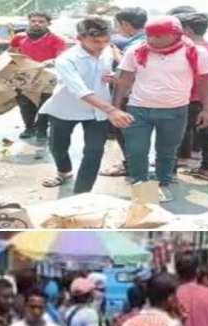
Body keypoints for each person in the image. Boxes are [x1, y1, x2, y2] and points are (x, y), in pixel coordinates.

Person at [114, 15, 208, 203]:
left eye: (160, 36)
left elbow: (205, 82)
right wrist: (115, 108)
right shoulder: (136, 51)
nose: (153, 40)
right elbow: (124, 80)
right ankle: (140, 186)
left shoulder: (196, 52)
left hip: (174, 110)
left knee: (167, 151)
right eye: (150, 35)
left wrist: (206, 109)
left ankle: (163, 183)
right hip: (138, 109)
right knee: (136, 150)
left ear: (176, 34)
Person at [39, 16, 133, 192]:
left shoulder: (107, 51)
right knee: (58, 146)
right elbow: (79, 91)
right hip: (66, 108)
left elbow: (108, 73)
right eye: (96, 41)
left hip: (98, 111)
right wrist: (112, 109)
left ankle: (82, 192)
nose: (101, 45)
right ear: (80, 38)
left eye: (106, 40)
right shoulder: (66, 59)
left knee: (94, 151)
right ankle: (64, 171)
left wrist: (112, 78)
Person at [176, 12, 208, 181]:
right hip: (207, 97)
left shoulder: (194, 51)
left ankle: (171, 169)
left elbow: (202, 78)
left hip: (193, 98)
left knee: (177, 133)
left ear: (187, 30)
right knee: (206, 134)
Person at [101, 7, 149, 179]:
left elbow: (132, 70)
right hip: (142, 95)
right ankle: (134, 165)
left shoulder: (135, 44)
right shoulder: (148, 40)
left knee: (126, 132)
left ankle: (131, 166)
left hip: (130, 95)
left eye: (119, 25)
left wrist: (117, 59)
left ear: (126, 24)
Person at [9, 12, 67, 141]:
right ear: (28, 21)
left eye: (41, 22)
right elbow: (9, 54)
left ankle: (42, 130)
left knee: (45, 104)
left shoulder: (57, 39)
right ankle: (29, 127)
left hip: (46, 76)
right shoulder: (19, 37)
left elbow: (62, 57)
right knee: (25, 104)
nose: (36, 23)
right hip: (24, 76)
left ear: (48, 24)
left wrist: (52, 61)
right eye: (33, 21)